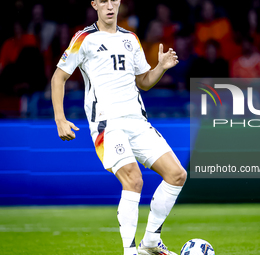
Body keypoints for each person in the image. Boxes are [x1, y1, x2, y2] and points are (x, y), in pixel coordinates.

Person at [51, 1, 187, 255]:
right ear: (94, 4)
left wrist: (160, 67)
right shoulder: (84, 38)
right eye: (103, 0)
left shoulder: (131, 38)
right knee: (134, 180)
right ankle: (129, 251)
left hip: (137, 121)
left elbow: (143, 82)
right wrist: (60, 118)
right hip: (107, 123)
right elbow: (58, 77)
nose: (110, 5)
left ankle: (150, 241)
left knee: (177, 174)